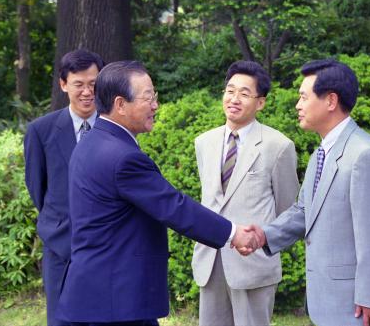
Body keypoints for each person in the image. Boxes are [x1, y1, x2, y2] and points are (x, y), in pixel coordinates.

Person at [55, 60, 257, 325]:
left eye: (155, 96)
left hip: (96, 294)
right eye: (147, 97)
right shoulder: (122, 157)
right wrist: (233, 233)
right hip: (118, 298)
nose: (155, 105)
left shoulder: (90, 142)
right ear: (120, 104)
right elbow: (174, 206)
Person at [246, 59, 370, 326]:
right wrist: (265, 235)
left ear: (331, 101)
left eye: (303, 97)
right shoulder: (321, 153)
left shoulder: (364, 154)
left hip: (363, 310)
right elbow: (304, 211)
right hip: (330, 304)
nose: (298, 105)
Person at [192, 60, 299, 326]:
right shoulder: (204, 143)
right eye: (230, 90)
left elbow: (288, 210)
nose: (234, 99)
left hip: (253, 263)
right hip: (211, 259)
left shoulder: (279, 146)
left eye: (244, 93)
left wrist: (263, 243)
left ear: (260, 102)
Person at [24, 49, 104, 326]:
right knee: (62, 320)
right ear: (63, 84)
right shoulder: (41, 131)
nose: (86, 92)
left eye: (93, 84)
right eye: (78, 84)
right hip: (61, 246)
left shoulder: (115, 128)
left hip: (107, 247)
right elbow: (38, 187)